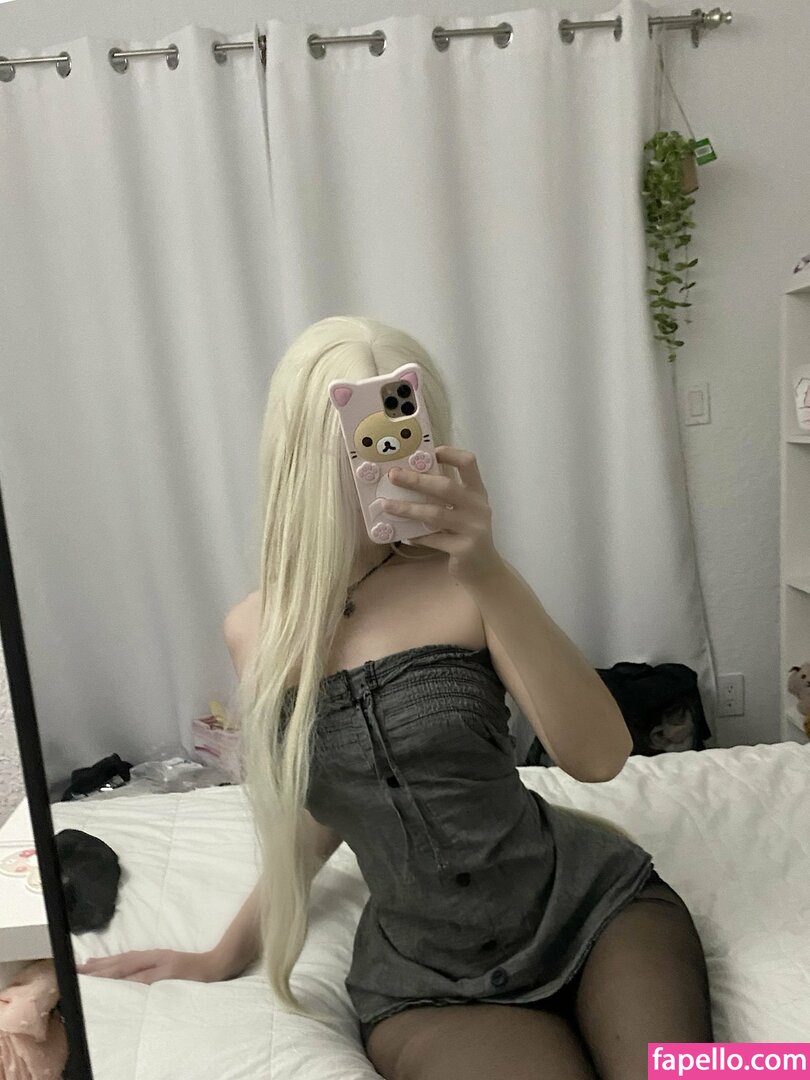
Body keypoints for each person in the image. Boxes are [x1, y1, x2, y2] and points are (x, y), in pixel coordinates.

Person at [77, 316, 713, 1079]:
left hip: (594, 908)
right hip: (429, 983)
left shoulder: (466, 582)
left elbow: (600, 758)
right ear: (303, 459)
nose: (384, 468)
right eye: (356, 447)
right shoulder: (257, 630)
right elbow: (324, 809)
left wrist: (490, 570)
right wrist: (223, 954)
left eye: (406, 436)